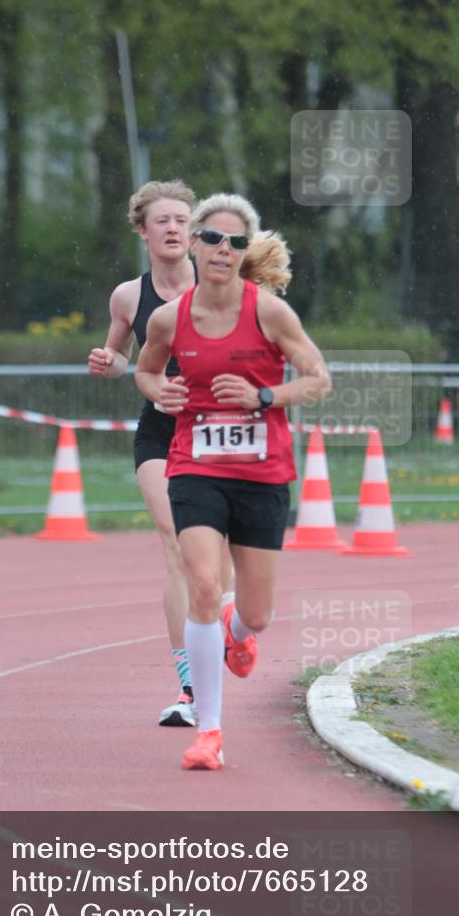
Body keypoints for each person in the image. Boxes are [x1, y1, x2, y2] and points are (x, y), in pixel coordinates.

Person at [136, 193, 331, 770]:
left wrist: (263, 396)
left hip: (261, 472)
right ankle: (209, 732)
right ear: (195, 245)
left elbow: (318, 379)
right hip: (194, 466)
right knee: (201, 583)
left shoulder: (269, 313)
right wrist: (160, 391)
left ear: (246, 253)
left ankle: (236, 627)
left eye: (237, 242)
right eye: (214, 239)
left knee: (258, 614)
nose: (224, 250)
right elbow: (145, 369)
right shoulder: (168, 318)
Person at [89, 180, 231, 728]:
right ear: (143, 232)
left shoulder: (220, 282)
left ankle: (227, 629)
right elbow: (122, 360)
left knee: (214, 558)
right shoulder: (129, 296)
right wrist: (109, 363)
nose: (173, 229)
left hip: (217, 431)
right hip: (160, 432)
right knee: (176, 543)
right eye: (162, 221)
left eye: (181, 220)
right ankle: (190, 688)